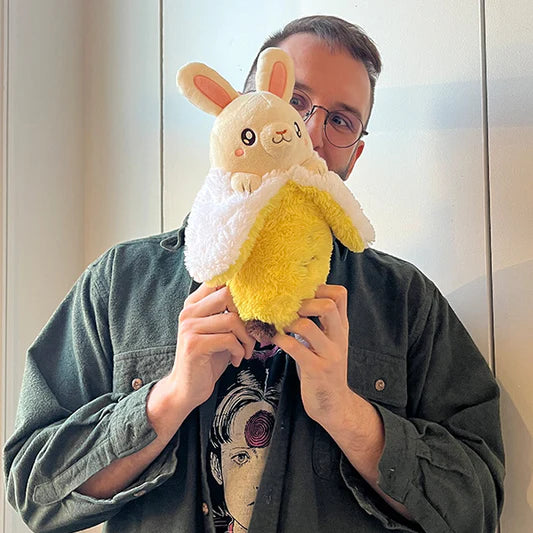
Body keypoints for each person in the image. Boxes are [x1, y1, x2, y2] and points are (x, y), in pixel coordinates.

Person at [3, 15, 504, 533]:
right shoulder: (121, 285)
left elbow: (477, 507)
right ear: (237, 112)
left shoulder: (405, 302)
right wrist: (168, 399)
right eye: (294, 100)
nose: (308, 134)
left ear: (354, 156)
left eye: (340, 121)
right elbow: (34, 489)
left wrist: (346, 413)